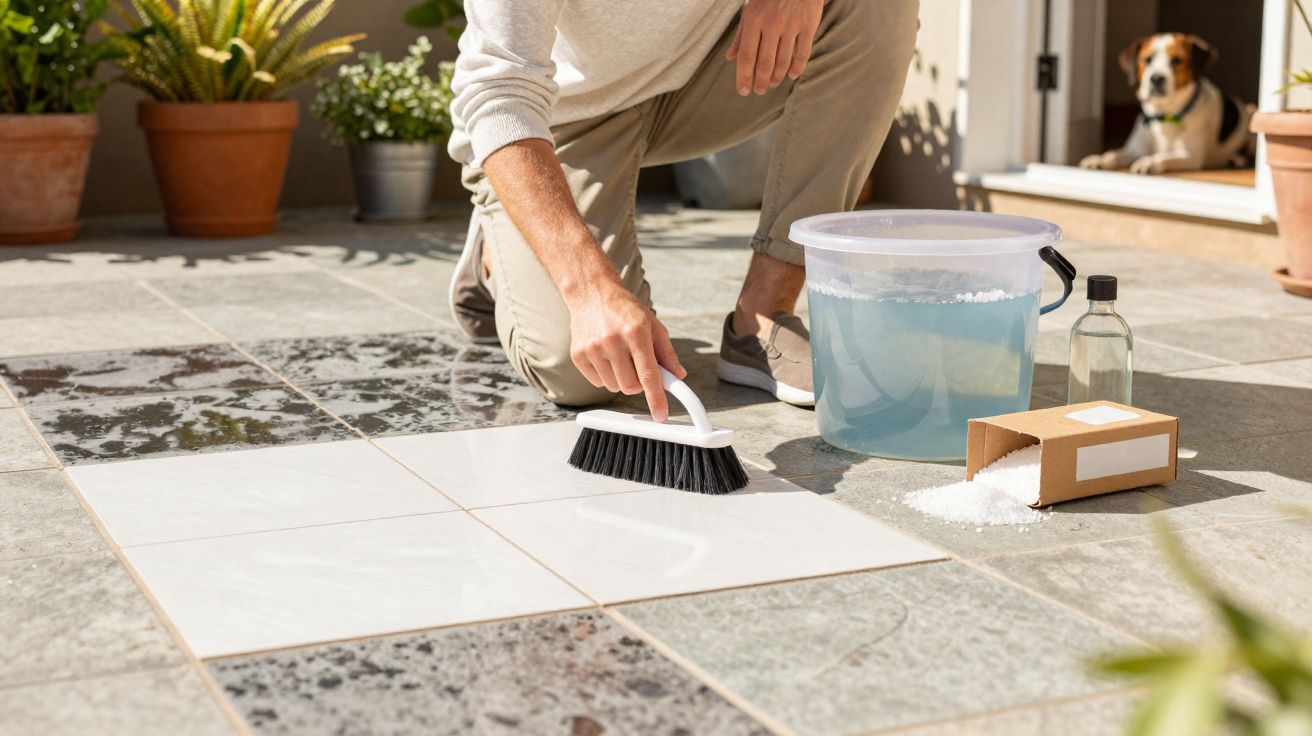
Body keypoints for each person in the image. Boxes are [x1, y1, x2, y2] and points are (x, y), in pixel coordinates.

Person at [447, 0, 920, 422]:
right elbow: (499, 91)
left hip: (713, 72)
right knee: (587, 375)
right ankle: (499, 247)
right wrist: (589, 290)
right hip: (564, 119)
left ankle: (763, 316)